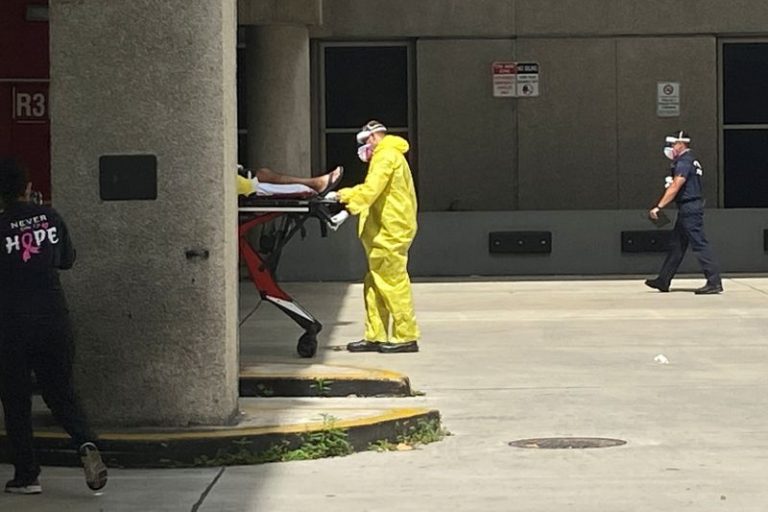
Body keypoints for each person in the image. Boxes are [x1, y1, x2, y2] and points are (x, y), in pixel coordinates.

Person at [0, 157, 108, 494]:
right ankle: (85, 443)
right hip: (54, 318)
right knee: (61, 392)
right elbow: (67, 260)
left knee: (16, 400)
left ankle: (27, 475)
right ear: (27, 187)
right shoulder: (50, 216)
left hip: (11, 324)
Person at [328, 120, 420, 353]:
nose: (364, 146)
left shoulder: (385, 155)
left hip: (389, 230)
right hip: (383, 230)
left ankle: (405, 336)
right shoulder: (389, 155)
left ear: (375, 137)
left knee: (392, 282)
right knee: (375, 283)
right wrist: (342, 195)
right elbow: (371, 189)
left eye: (366, 140)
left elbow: (372, 189)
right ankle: (375, 335)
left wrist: (347, 209)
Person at [645, 131, 723, 294]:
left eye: (673, 144)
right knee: (677, 246)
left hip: (690, 208)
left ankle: (714, 281)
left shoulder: (684, 162)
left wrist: (659, 206)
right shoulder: (691, 161)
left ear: (682, 144)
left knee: (699, 244)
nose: (671, 148)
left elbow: (676, 185)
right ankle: (663, 280)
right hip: (687, 208)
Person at [236, 165, 343, 197]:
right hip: (244, 186)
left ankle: (315, 183)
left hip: (241, 177)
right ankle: (314, 185)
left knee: (264, 174)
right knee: (301, 190)